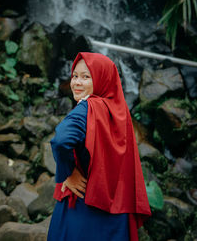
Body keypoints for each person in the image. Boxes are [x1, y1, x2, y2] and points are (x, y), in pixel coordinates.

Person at [47, 52, 151, 241]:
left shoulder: (86, 109)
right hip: (116, 211)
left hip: (81, 209)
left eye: (86, 77)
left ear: (102, 78)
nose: (77, 82)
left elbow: (60, 140)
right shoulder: (118, 112)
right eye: (75, 76)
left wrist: (68, 173)